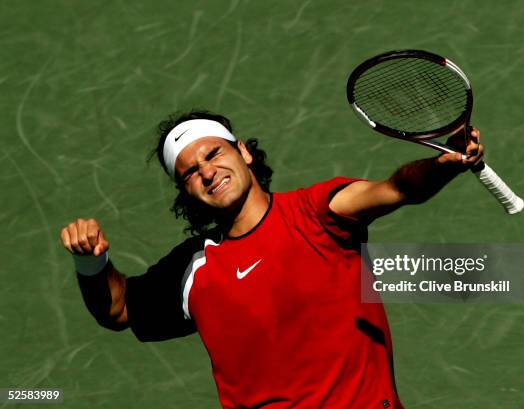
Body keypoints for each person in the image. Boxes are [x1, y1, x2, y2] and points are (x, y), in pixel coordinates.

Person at [60, 110, 483, 408]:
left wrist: (441, 165)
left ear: (243, 152)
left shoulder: (318, 214)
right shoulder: (193, 270)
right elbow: (118, 309)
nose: (206, 172)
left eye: (213, 154)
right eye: (189, 172)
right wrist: (91, 262)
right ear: (185, 191)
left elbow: (397, 189)